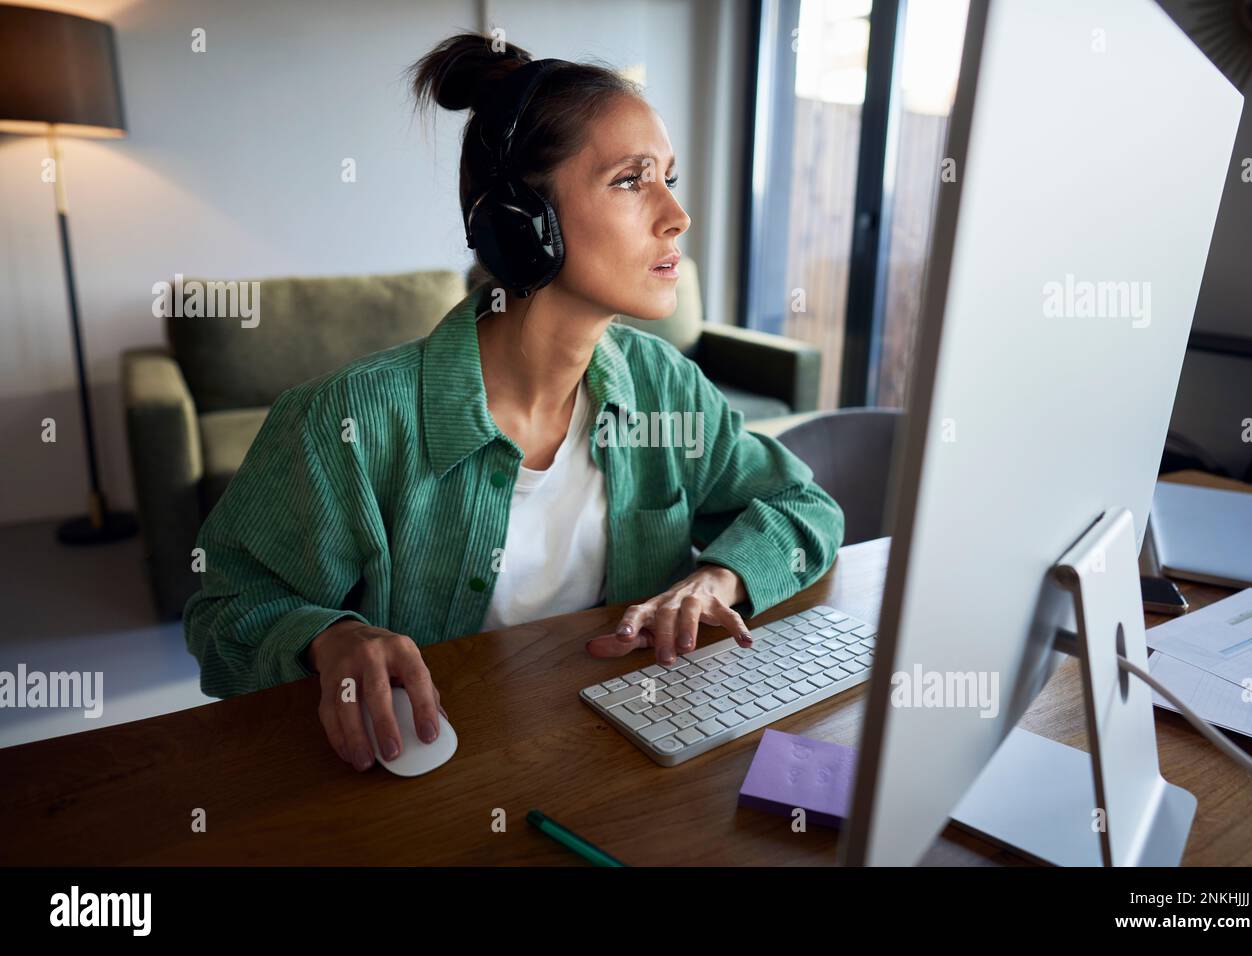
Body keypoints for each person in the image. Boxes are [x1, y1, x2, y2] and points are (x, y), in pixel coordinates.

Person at [183, 33, 845, 772]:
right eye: (632, 180)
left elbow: (805, 509)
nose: (677, 216)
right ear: (522, 218)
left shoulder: (665, 386)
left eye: (669, 177)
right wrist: (327, 635)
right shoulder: (348, 422)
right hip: (434, 782)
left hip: (628, 757)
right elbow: (223, 614)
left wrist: (714, 578)